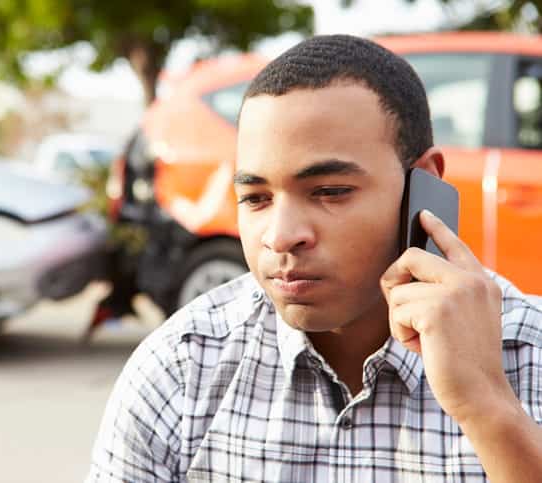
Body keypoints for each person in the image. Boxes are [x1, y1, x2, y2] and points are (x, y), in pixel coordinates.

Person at [86, 34, 542, 482]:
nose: (281, 237)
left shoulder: (529, 356)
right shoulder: (181, 369)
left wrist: (489, 410)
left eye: (330, 192)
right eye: (256, 198)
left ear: (424, 184)